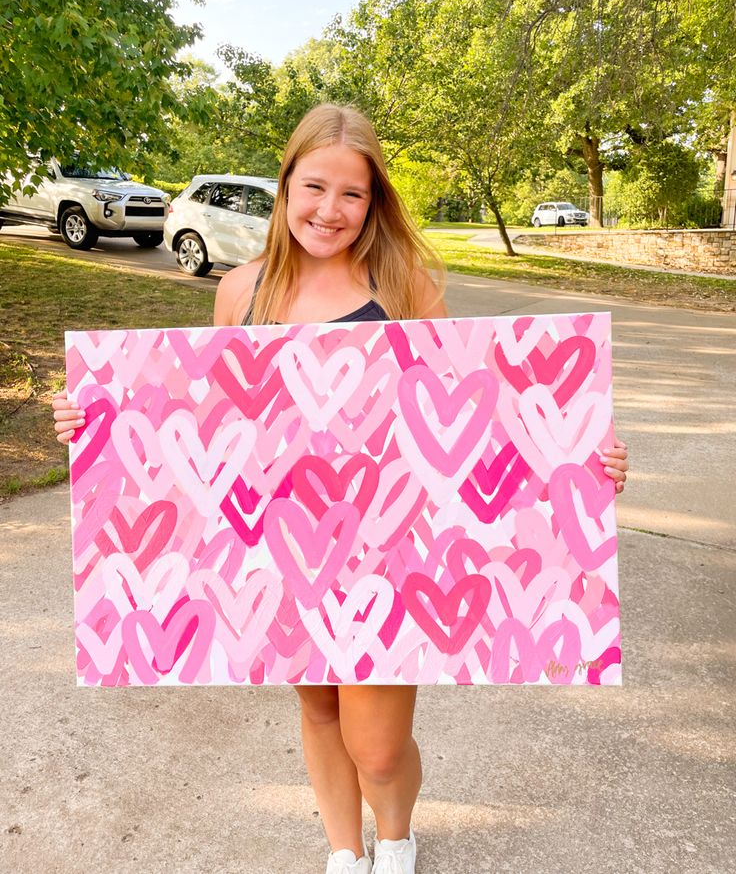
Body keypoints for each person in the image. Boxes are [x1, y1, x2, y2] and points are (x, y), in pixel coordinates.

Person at [52, 103, 629, 874]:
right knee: (318, 706)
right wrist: (91, 421)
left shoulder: (403, 283)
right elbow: (205, 408)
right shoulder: (243, 289)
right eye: (314, 186)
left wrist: (582, 455)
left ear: (375, 200)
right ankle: (346, 851)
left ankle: (396, 835)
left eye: (352, 194)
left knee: (379, 747)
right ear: (285, 184)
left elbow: (469, 412)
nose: (330, 210)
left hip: (387, 547)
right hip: (281, 542)